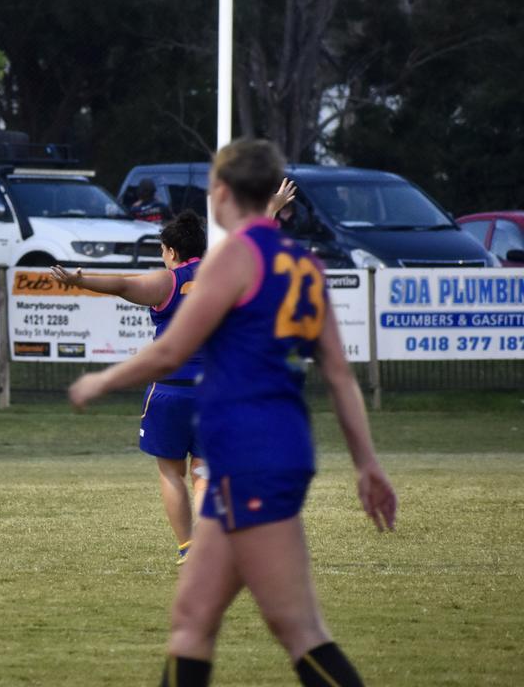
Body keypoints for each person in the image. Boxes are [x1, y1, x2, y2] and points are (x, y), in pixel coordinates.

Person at [68, 139, 397, 686]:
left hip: (250, 459)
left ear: (221, 192)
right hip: (270, 455)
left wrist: (100, 381)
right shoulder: (305, 265)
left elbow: (173, 350)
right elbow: (339, 375)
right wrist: (367, 464)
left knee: (299, 630)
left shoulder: (232, 260)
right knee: (192, 621)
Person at [50, 211, 208, 566]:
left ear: (169, 250)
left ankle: (188, 547)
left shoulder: (166, 282)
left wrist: (79, 280)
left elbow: (122, 285)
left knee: (170, 472)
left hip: (170, 389)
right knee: (204, 472)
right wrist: (271, 210)